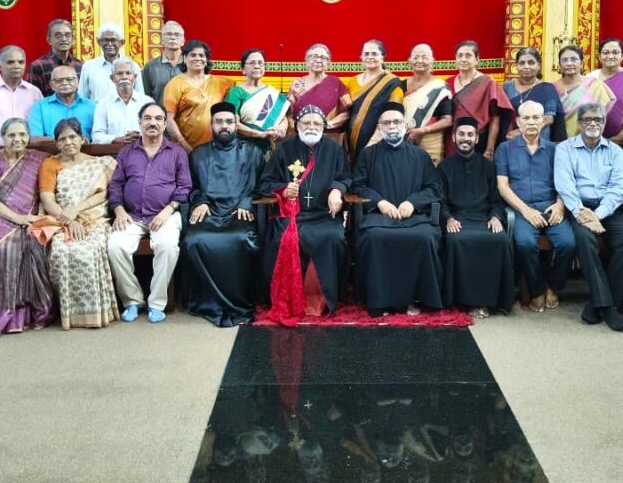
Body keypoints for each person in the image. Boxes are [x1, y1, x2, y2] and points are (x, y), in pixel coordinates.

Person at [257, 105, 350, 321]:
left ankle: (323, 299)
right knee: (280, 239)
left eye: (316, 123)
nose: (311, 127)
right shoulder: (284, 148)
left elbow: (346, 177)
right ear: (297, 125)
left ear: (323, 127)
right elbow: (265, 183)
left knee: (333, 237)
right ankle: (287, 298)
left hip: (324, 215)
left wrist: (337, 190)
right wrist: (283, 189)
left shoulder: (334, 149)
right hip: (291, 215)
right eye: (306, 123)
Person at [351, 102, 443, 316]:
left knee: (424, 238)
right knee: (374, 238)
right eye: (386, 123)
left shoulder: (420, 155)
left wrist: (412, 202)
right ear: (379, 127)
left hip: (414, 217)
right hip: (378, 217)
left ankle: (414, 298)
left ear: (405, 125)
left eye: (396, 122)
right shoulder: (368, 154)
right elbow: (358, 185)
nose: (392, 126)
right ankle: (380, 300)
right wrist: (379, 202)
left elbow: (434, 188)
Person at [554, 103, 623, 331]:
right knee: (584, 240)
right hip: (579, 208)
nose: (593, 123)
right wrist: (583, 214)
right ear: (579, 123)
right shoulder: (565, 149)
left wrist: (597, 215)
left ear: (604, 123)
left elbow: (619, 189)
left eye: (598, 120)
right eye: (588, 119)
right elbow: (565, 185)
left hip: (608, 209)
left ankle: (597, 303)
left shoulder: (615, 151)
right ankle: (609, 307)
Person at [107, 102, 191, 324]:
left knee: (167, 246)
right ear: (140, 122)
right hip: (132, 215)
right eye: (147, 118)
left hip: (165, 214)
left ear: (164, 124)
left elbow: (184, 187)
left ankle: (156, 303)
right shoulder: (127, 152)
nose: (153, 122)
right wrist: (119, 210)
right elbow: (116, 185)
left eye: (158, 118)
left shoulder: (177, 152)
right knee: (115, 246)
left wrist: (168, 210)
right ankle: (133, 301)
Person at [183, 102, 264, 327]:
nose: (224, 126)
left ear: (237, 124)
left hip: (240, 212)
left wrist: (247, 202)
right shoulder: (198, 154)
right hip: (210, 211)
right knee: (194, 239)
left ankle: (240, 300)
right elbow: (191, 187)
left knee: (242, 238)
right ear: (211, 125)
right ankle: (207, 302)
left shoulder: (253, 152)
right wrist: (200, 201)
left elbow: (265, 185)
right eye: (219, 122)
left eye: (229, 121)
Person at [37, 117, 119, 329]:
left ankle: (95, 313)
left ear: (83, 139)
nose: (68, 142)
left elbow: (103, 195)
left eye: (72, 137)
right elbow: (47, 200)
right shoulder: (50, 164)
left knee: (91, 249)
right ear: (56, 143)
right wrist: (69, 220)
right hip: (60, 220)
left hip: (93, 219)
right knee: (61, 250)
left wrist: (76, 211)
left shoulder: (98, 163)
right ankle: (69, 314)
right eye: (62, 139)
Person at [495, 102, 575, 313]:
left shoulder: (556, 150)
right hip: (522, 208)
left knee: (568, 243)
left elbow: (565, 183)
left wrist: (560, 205)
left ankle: (553, 286)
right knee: (524, 243)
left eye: (536, 117)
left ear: (543, 121)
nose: (531, 122)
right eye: (526, 118)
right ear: (518, 122)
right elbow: (502, 186)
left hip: (551, 207)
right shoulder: (505, 149)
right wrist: (526, 211)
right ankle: (537, 289)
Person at [0, 118, 53, 337]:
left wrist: (38, 216)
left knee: (35, 247)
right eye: (11, 135)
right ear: (3, 137)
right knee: (3, 249)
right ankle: (3, 311)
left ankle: (32, 311)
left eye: (22, 134)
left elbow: (44, 191)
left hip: (31, 217)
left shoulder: (38, 158)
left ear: (29, 137)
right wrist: (18, 218)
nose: (17, 139)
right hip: (2, 217)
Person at [437, 117, 514, 318]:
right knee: (456, 240)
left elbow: (497, 199)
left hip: (485, 219)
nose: (466, 138)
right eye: (461, 134)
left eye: (470, 134)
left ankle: (492, 301)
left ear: (477, 138)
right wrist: (448, 218)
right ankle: (466, 301)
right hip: (457, 219)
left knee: (500, 240)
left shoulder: (488, 166)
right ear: (454, 137)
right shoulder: (444, 167)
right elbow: (440, 201)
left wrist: (496, 217)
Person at [162, 39, 233, 151]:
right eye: (193, 55)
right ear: (184, 59)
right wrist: (185, 146)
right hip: (187, 149)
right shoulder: (175, 84)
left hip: (217, 149)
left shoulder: (222, 83)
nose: (198, 58)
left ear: (207, 60)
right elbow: (169, 120)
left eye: (201, 55)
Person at [448, 40, 512, 160]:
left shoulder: (488, 83)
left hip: (479, 142)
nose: (463, 59)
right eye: (460, 55)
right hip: (452, 142)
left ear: (477, 59)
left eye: (468, 55)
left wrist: (489, 150)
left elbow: (495, 118)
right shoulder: (448, 83)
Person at [346, 39, 405, 164]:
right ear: (361, 57)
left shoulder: (393, 83)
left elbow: (393, 116)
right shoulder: (352, 81)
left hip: (378, 143)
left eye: (374, 54)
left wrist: (371, 145)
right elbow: (346, 111)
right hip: (350, 143)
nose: (369, 57)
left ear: (383, 57)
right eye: (366, 54)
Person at [286, 43, 352, 146]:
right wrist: (297, 128)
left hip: (329, 140)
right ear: (307, 61)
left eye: (323, 58)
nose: (318, 60)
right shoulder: (297, 84)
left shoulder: (335, 83)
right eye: (314, 56)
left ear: (328, 63)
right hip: (301, 139)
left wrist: (328, 124)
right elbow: (289, 115)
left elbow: (348, 112)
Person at [225, 48, 289, 155]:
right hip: (242, 150)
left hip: (267, 149)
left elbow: (283, 117)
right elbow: (232, 123)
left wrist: (282, 127)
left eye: (260, 63)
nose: (257, 66)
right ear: (243, 69)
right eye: (252, 63)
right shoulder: (236, 92)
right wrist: (260, 134)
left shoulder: (272, 92)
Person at [502, 47, 565, 143]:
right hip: (512, 143)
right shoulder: (507, 87)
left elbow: (548, 119)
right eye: (522, 63)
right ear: (516, 65)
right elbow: (502, 117)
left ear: (538, 66)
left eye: (531, 63)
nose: (526, 66)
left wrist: (521, 131)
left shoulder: (547, 88)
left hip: (540, 143)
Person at [403, 43, 453, 164]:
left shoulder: (440, 87)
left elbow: (447, 120)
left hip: (431, 143)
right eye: (416, 57)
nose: (420, 61)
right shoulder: (401, 85)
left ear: (431, 61)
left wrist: (423, 130)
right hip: (404, 142)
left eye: (424, 57)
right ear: (410, 61)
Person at [554, 44, 616, 138]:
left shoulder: (594, 84)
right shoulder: (553, 87)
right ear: (559, 64)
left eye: (574, 59)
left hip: (588, 138)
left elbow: (607, 105)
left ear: (582, 63)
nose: (569, 63)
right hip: (559, 139)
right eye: (565, 60)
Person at [79, 22, 146, 102]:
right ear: (99, 42)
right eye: (106, 40)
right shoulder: (89, 67)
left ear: (122, 43)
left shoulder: (133, 67)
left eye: (113, 40)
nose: (109, 44)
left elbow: (140, 98)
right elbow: (82, 98)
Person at [28, 65, 96, 143]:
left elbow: (98, 136)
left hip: (86, 150)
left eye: (69, 80)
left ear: (77, 82)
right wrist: (64, 141)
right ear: (51, 85)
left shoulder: (92, 106)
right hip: (50, 150)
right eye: (58, 81)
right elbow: (34, 139)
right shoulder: (40, 106)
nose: (64, 83)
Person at [92, 58, 153, 144]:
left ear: (135, 77)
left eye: (128, 73)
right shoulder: (103, 105)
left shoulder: (147, 102)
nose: (124, 77)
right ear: (112, 78)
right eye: (119, 74)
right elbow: (96, 136)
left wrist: (140, 136)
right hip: (114, 151)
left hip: (143, 150)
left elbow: (155, 130)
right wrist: (116, 139)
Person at [27, 18, 83, 96]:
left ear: (73, 39)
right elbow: (33, 96)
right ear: (49, 40)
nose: (64, 39)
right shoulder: (38, 66)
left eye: (67, 35)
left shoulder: (81, 65)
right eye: (58, 35)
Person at [142, 20, 186, 105]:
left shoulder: (190, 64)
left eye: (177, 35)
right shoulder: (150, 66)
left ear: (183, 41)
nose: (172, 38)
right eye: (168, 34)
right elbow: (145, 97)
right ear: (161, 40)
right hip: (159, 112)